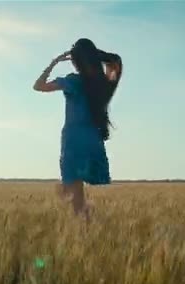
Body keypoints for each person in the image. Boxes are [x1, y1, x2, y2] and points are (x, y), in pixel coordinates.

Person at [33, 38, 122, 222]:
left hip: (73, 141)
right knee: (75, 196)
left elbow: (38, 86)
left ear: (75, 61)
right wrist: (97, 55)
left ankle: (87, 232)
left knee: (73, 197)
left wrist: (54, 62)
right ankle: (90, 227)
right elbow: (115, 63)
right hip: (92, 141)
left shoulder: (72, 82)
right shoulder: (103, 84)